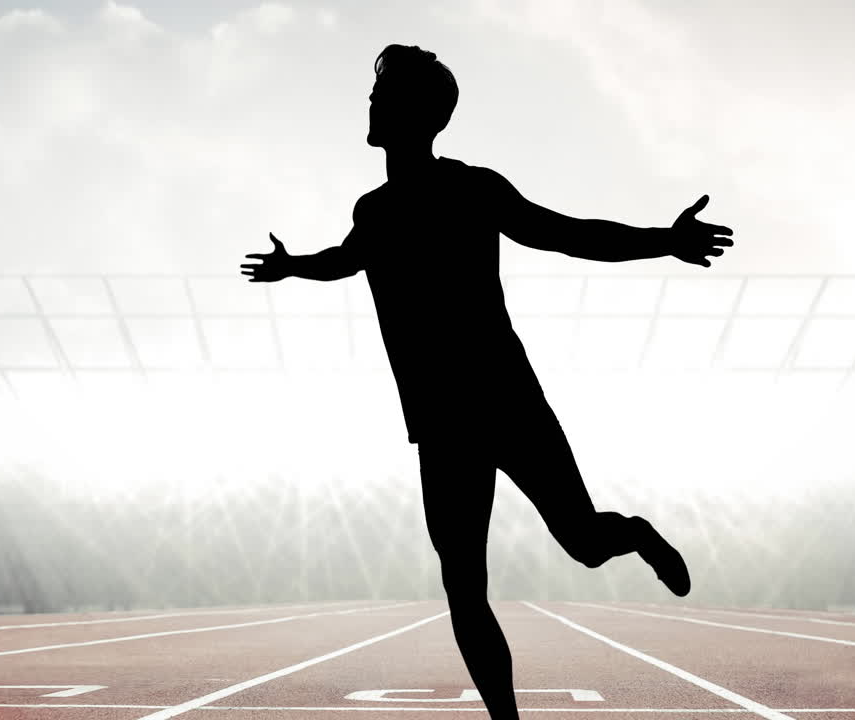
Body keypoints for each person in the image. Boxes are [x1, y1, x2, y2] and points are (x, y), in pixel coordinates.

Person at [241, 44, 733, 720]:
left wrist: (662, 241)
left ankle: (639, 535)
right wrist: (294, 265)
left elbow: (566, 234)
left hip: (508, 403)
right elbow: (345, 260)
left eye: (383, 97)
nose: (372, 104)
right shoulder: (375, 211)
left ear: (418, 115)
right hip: (441, 427)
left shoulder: (473, 190)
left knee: (586, 543)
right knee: (463, 588)